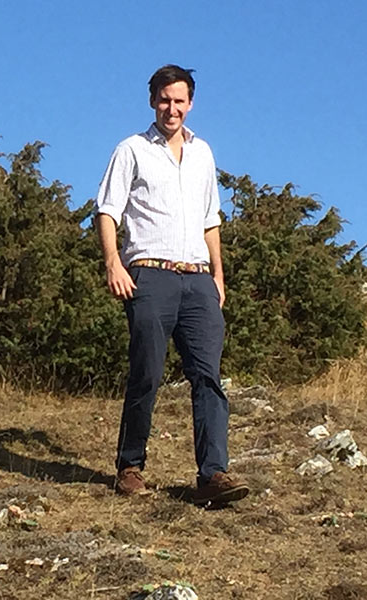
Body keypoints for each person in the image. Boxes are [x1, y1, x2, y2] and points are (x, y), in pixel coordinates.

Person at [94, 65, 248, 505]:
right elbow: (108, 210)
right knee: (148, 371)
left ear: (191, 103)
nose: (171, 108)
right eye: (164, 99)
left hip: (199, 279)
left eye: (179, 100)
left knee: (209, 377)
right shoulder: (132, 150)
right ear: (152, 101)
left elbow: (209, 219)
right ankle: (130, 466)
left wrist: (218, 275)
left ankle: (213, 474)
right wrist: (112, 263)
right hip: (150, 272)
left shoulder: (204, 153)